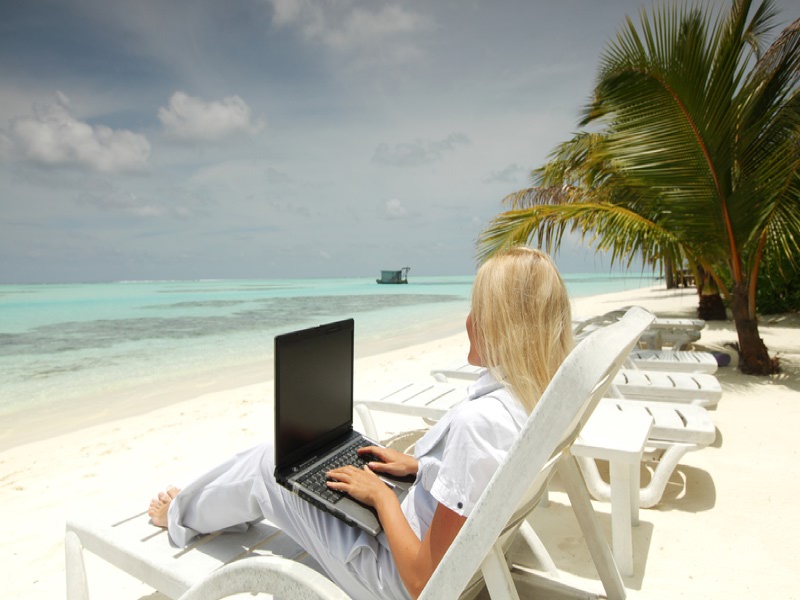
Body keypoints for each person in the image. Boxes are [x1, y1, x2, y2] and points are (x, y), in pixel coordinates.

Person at [148, 246, 574, 600]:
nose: (468, 320)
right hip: (425, 537)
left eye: (477, 309)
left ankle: (180, 514)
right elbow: (479, 482)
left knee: (269, 467)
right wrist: (421, 469)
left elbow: (423, 582)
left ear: (502, 326)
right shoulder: (533, 400)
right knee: (309, 466)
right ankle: (201, 508)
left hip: (389, 577)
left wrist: (382, 499)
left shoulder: (477, 423)